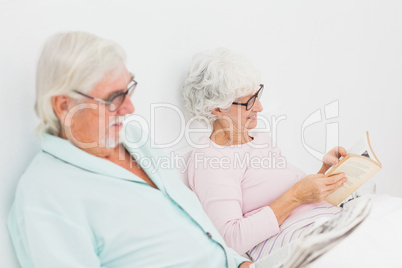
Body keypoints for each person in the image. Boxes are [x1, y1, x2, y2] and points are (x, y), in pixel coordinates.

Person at [7, 32, 252, 268]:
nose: (129, 107)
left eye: (128, 89)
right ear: (64, 106)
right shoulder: (45, 195)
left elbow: (195, 231)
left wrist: (240, 263)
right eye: (114, 98)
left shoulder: (133, 138)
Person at [182, 48, 348, 261]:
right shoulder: (211, 160)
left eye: (257, 95)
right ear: (216, 109)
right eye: (248, 101)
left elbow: (291, 196)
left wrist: (324, 173)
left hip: (326, 219)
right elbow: (231, 238)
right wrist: (297, 195)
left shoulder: (259, 138)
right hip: (300, 241)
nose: (259, 107)